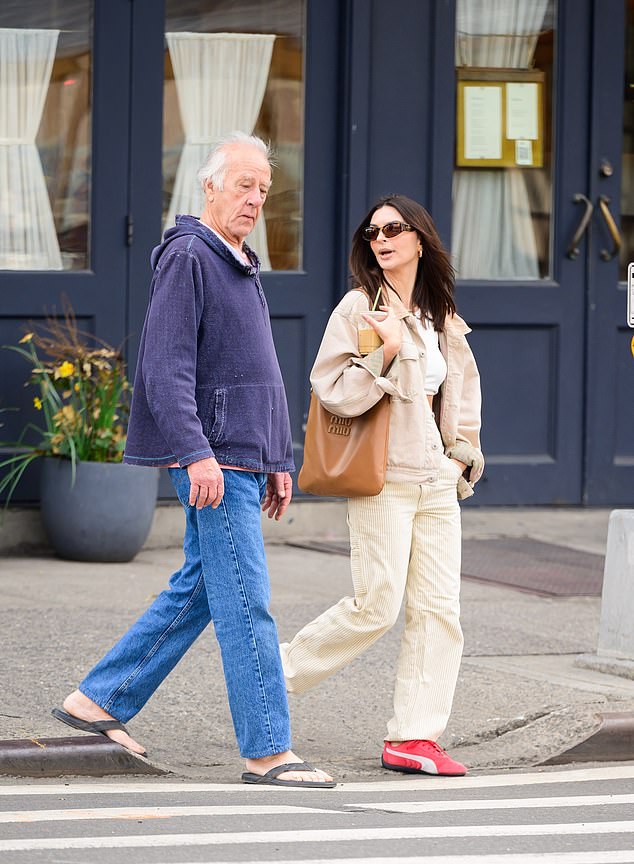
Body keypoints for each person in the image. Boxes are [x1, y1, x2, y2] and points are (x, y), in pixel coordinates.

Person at [52, 132, 335, 789]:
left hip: (242, 458)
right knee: (247, 601)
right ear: (209, 187)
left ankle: (99, 699)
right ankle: (267, 749)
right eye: (243, 185)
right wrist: (193, 450)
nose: (255, 199)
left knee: (203, 590)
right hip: (213, 462)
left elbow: (254, 372)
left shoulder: (238, 261)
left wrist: (277, 456)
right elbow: (165, 367)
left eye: (264, 189)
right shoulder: (189, 255)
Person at [281, 194, 484, 777]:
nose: (382, 239)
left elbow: (462, 385)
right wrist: (387, 354)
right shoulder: (358, 308)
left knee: (440, 612)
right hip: (385, 479)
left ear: (420, 237)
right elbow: (332, 389)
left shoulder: (440, 310)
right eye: (373, 233)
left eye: (394, 229)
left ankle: (414, 737)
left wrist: (462, 451)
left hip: (437, 483)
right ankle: (271, 677)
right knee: (377, 605)